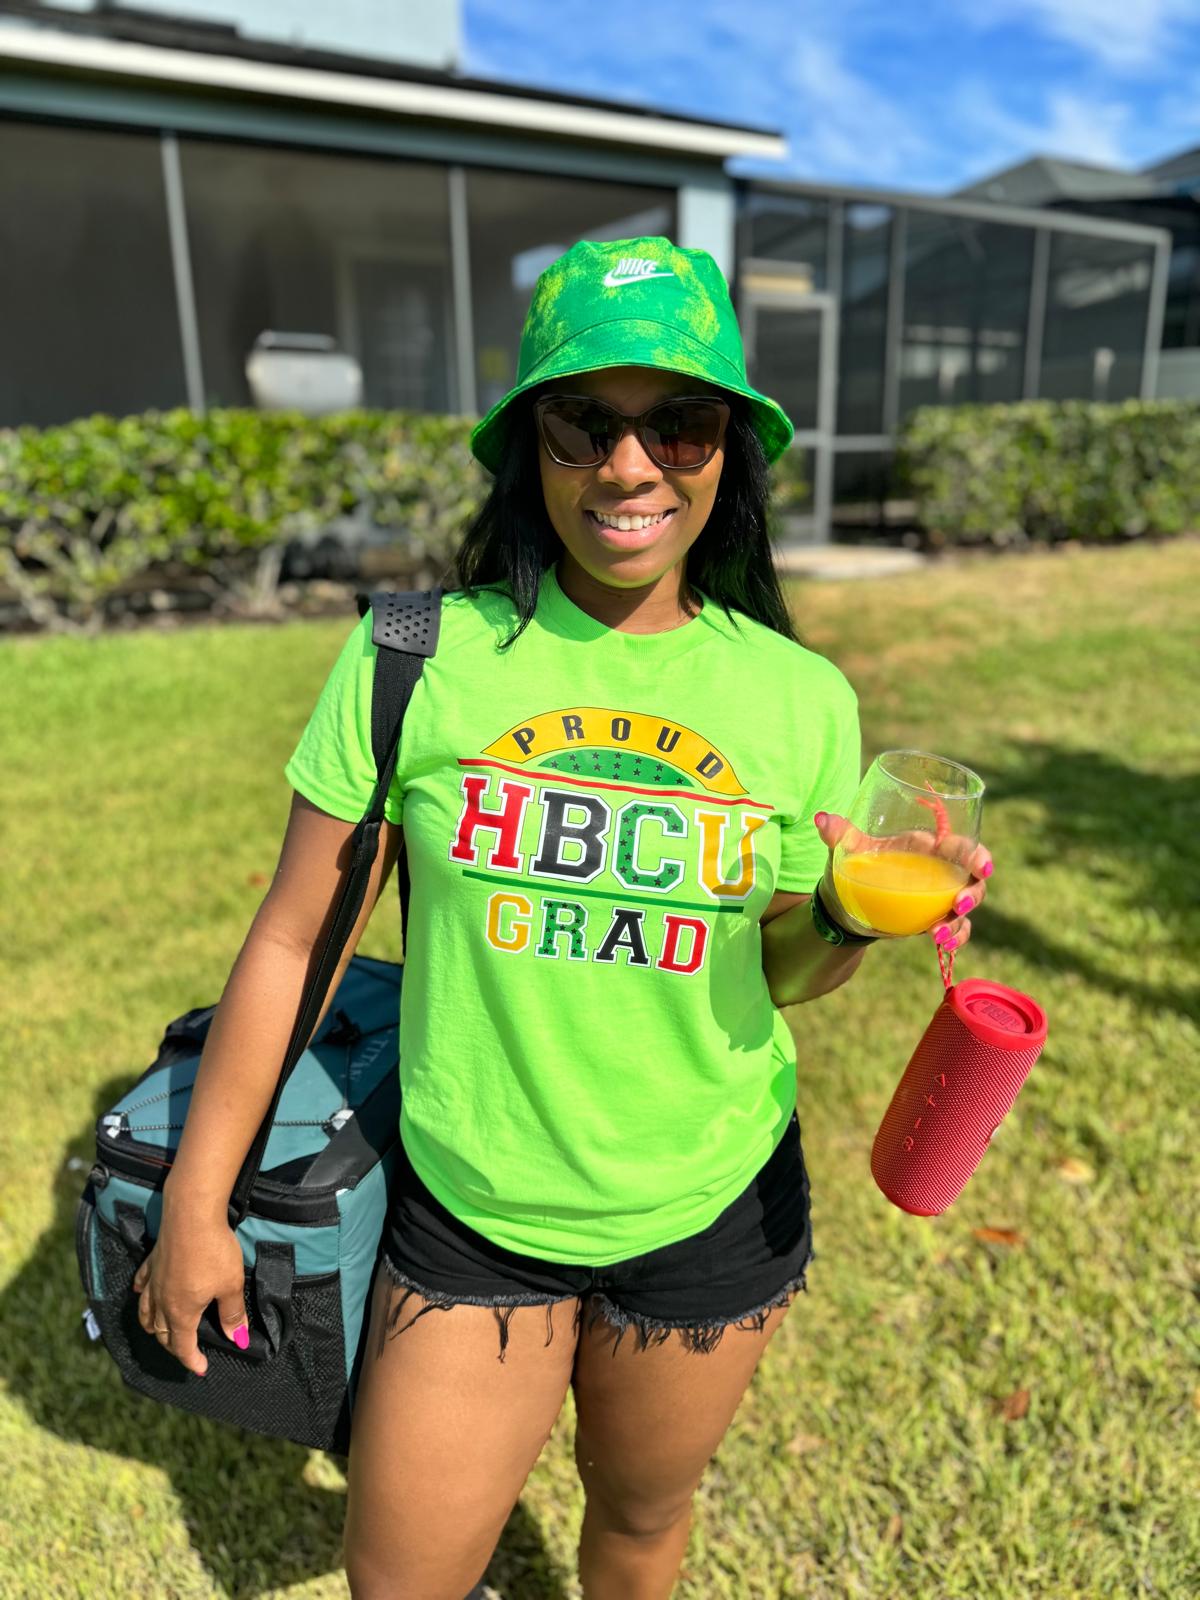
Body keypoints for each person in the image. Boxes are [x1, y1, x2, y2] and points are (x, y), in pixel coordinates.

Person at [132, 235, 991, 1600]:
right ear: (531, 441)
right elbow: (295, 942)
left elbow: (777, 977)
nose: (631, 467)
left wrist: (842, 913)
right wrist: (197, 1195)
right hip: (477, 1209)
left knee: (640, 1532)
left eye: (680, 424)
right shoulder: (417, 655)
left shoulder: (800, 697)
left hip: (709, 1207)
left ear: (732, 450)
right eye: (585, 423)